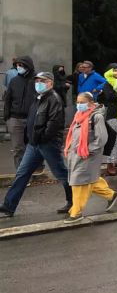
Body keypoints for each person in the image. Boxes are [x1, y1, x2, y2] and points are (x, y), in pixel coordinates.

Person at [0, 72, 73, 218]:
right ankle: (9, 206)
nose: (38, 83)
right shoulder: (39, 98)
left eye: (42, 81)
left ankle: (73, 201)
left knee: (61, 174)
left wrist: (42, 137)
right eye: (37, 80)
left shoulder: (54, 99)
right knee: (22, 173)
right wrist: (31, 139)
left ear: (50, 83)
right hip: (34, 144)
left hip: (48, 144)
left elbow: (53, 124)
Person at [62, 92, 117, 223]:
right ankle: (111, 195)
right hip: (77, 155)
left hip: (87, 155)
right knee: (90, 180)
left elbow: (101, 139)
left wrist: (87, 150)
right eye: (77, 102)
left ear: (90, 103)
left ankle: (76, 212)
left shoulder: (96, 117)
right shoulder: (79, 115)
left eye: (82, 102)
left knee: (78, 182)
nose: (79, 105)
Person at [3, 56, 38, 170]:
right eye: (17, 65)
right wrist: (7, 116)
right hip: (15, 118)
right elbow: (8, 99)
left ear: (28, 66)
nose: (18, 67)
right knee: (18, 148)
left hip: (32, 119)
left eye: (21, 65)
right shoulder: (14, 81)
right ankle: (21, 173)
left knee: (32, 146)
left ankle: (32, 168)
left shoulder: (37, 80)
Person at [99, 63, 117, 176]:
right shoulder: (108, 84)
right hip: (113, 115)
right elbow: (110, 97)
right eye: (115, 71)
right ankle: (110, 164)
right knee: (113, 139)